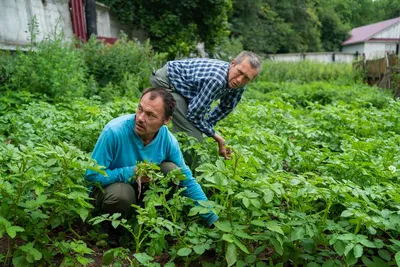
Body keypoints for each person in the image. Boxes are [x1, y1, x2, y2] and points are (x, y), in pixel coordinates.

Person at [85, 87, 218, 229]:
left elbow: (187, 180)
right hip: (109, 192)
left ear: (166, 120)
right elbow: (91, 176)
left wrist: (212, 219)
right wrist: (131, 172)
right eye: (140, 109)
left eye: (150, 115)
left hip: (142, 192)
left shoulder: (167, 140)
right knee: (122, 194)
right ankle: (110, 230)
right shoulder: (114, 132)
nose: (141, 118)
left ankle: (152, 222)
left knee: (172, 170)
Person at [150, 51, 262, 166]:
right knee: (193, 137)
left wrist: (207, 127)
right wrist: (216, 137)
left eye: (246, 78)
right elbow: (193, 115)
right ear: (232, 63)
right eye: (239, 72)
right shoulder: (216, 79)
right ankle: (185, 173)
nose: (239, 80)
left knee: (193, 129)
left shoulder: (239, 85)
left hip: (185, 88)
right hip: (167, 82)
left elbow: (226, 107)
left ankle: (167, 150)